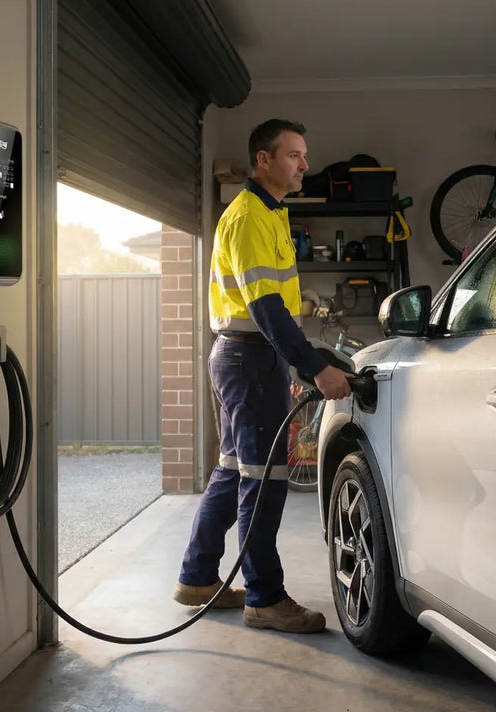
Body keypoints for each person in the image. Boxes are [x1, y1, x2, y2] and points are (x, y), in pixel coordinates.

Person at [173, 118, 352, 633]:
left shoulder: (271, 212)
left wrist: (301, 354)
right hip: (249, 359)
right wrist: (315, 367)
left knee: (234, 472)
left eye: (304, 154)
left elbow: (274, 309)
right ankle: (265, 597)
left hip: (246, 356)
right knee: (264, 480)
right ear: (263, 161)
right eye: (293, 155)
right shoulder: (250, 216)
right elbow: (267, 307)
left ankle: (199, 576)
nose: (305, 165)